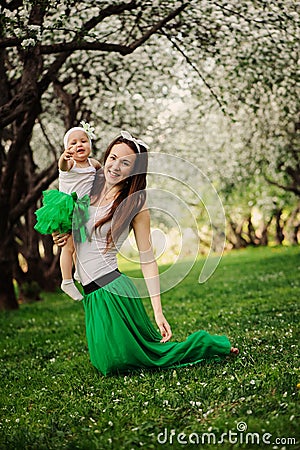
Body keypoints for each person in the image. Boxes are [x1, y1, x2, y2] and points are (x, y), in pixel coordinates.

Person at [53, 130, 239, 376]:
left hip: (112, 290)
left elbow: (147, 259)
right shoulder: (87, 187)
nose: (115, 166)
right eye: (113, 157)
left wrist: (158, 311)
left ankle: (208, 345)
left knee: (133, 360)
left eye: (125, 163)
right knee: (106, 364)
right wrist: (61, 234)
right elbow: (73, 227)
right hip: (91, 294)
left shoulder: (135, 205)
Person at [35, 121, 101, 300]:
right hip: (67, 208)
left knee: (79, 243)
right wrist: (64, 157)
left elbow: (101, 173)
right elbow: (62, 166)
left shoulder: (93, 164)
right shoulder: (70, 164)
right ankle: (67, 281)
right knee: (69, 246)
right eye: (73, 143)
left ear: (90, 145)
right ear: (67, 148)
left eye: (83, 141)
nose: (79, 145)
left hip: (82, 208)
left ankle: (79, 272)